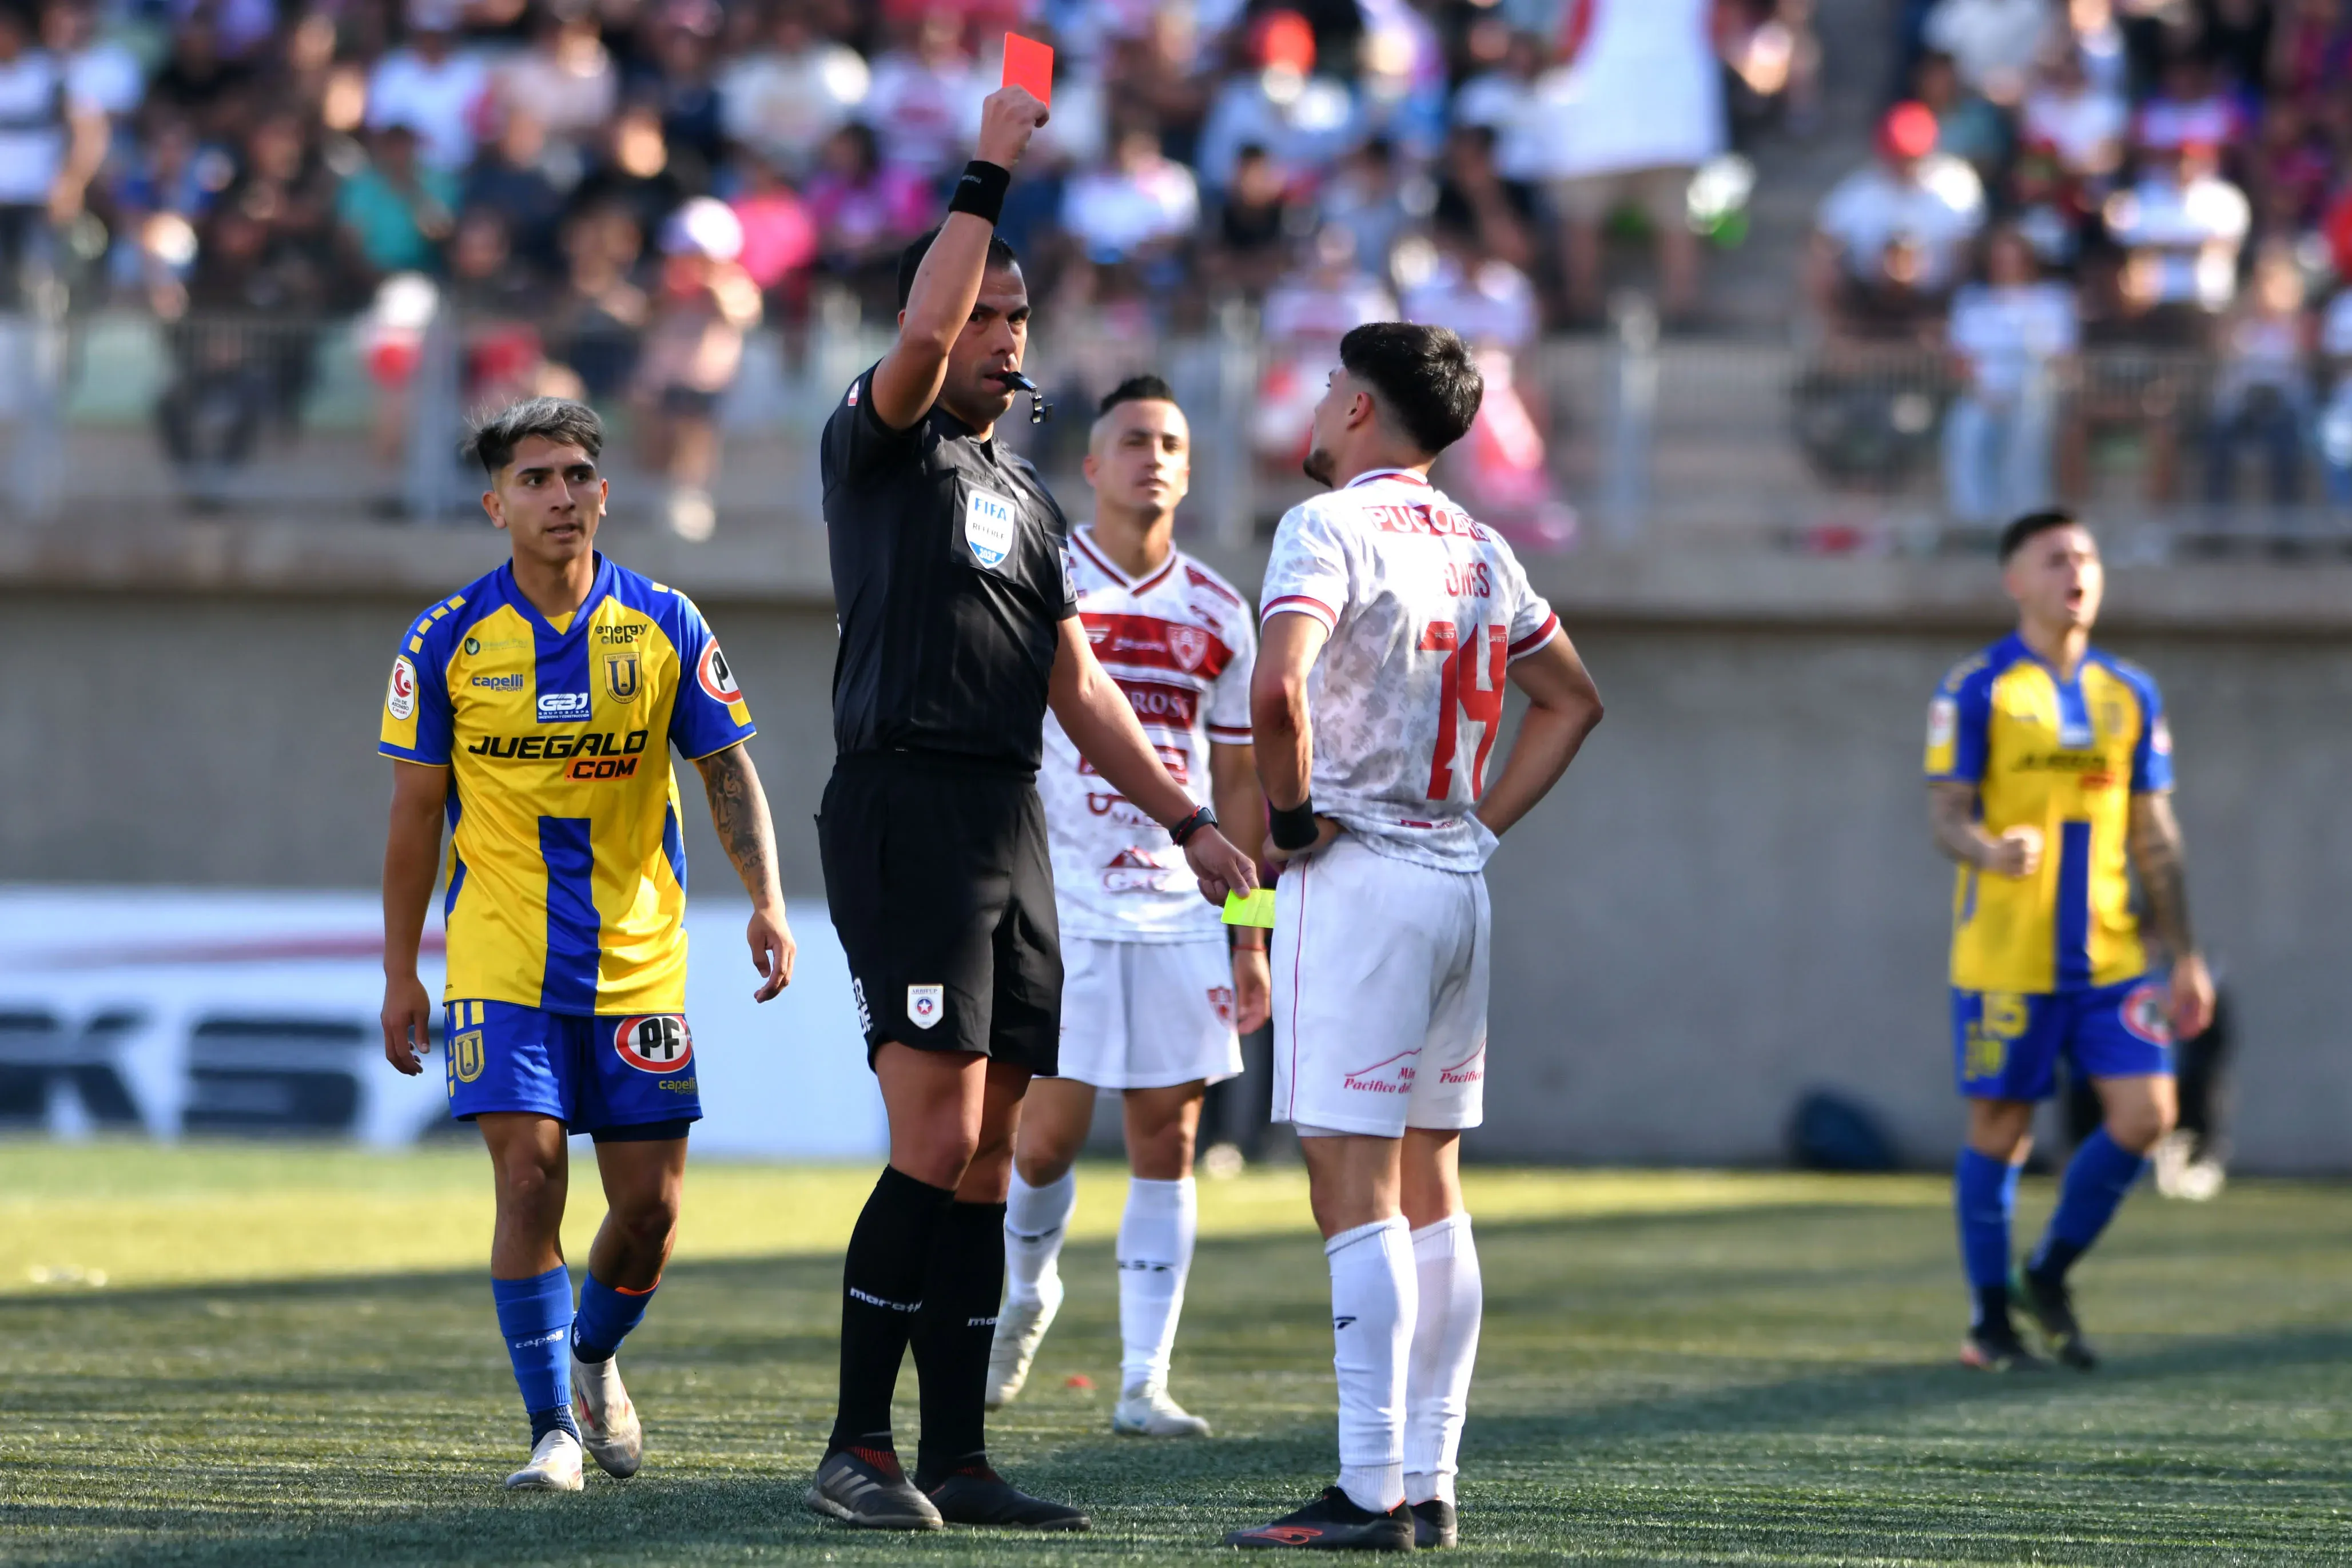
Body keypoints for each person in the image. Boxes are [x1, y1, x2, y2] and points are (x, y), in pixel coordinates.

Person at [807, 86, 1259, 1533]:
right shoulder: (881, 445)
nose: (1005, 336)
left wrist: (1190, 821)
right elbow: (927, 337)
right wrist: (991, 162)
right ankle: (852, 1448)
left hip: (1016, 826)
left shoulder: (1024, 499)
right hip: (907, 808)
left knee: (993, 1152)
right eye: (984, 314)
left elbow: (1078, 687)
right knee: (931, 1139)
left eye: (1017, 319)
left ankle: (956, 1458)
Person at [1225, 323, 1604, 1552]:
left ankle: (1370, 1487)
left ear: (1358, 413)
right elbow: (1572, 701)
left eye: (1335, 383)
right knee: (1434, 1187)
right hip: (1454, 880)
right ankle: (1429, 1482)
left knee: (1351, 1186)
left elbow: (1275, 690)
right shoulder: (1487, 547)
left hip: (1363, 874)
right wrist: (1478, 829)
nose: (1321, 398)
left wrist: (1287, 821)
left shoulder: (1325, 529)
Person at [377, 397, 797, 1491]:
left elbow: (724, 767)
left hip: (641, 957)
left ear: (605, 493)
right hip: (499, 959)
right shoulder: (446, 639)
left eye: (576, 476)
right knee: (529, 1177)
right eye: (535, 479)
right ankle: (549, 1429)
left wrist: (768, 899)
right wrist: (399, 972)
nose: (559, 496)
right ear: (496, 504)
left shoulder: (663, 620)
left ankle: (594, 1353)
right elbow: (415, 817)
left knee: (650, 1214)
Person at [985, 375, 1269, 1439]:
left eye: (1172, 443)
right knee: (1047, 1138)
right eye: (1133, 440)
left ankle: (1144, 1379)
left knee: (1171, 1135)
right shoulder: (1047, 581)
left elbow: (1240, 791)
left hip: (1180, 909)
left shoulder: (1219, 612)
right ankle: (1026, 1294)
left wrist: (1255, 937)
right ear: (1092, 467)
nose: (1153, 455)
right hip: (1064, 899)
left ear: (1188, 473)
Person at [1924, 508, 2214, 1373]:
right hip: (2006, 953)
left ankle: (2044, 1273)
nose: (2075, 570)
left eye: (2085, 555)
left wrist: (2187, 952)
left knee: (2150, 1114)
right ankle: (1988, 1320)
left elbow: (2155, 832)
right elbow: (1945, 815)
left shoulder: (2131, 692)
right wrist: (1988, 847)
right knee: (2002, 1128)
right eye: (2054, 558)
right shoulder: (1976, 688)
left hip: (2113, 955)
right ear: (2016, 581)